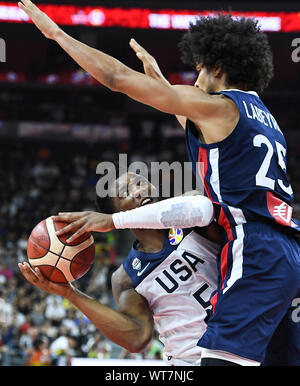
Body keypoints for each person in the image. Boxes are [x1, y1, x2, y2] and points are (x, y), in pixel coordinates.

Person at [18, 1, 300, 365]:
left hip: (256, 247)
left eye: (198, 72)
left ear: (217, 67)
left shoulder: (217, 106)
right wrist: (163, 88)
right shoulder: (261, 116)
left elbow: (116, 79)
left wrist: (56, 34)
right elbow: (200, 128)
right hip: (287, 246)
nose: (195, 83)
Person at [20, 172, 222, 366]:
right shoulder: (125, 278)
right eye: (125, 192)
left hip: (239, 340)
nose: (139, 191)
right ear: (115, 213)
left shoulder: (187, 211)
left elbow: (201, 206)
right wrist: (70, 294)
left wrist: (114, 222)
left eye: (141, 182)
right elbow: (137, 339)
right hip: (188, 359)